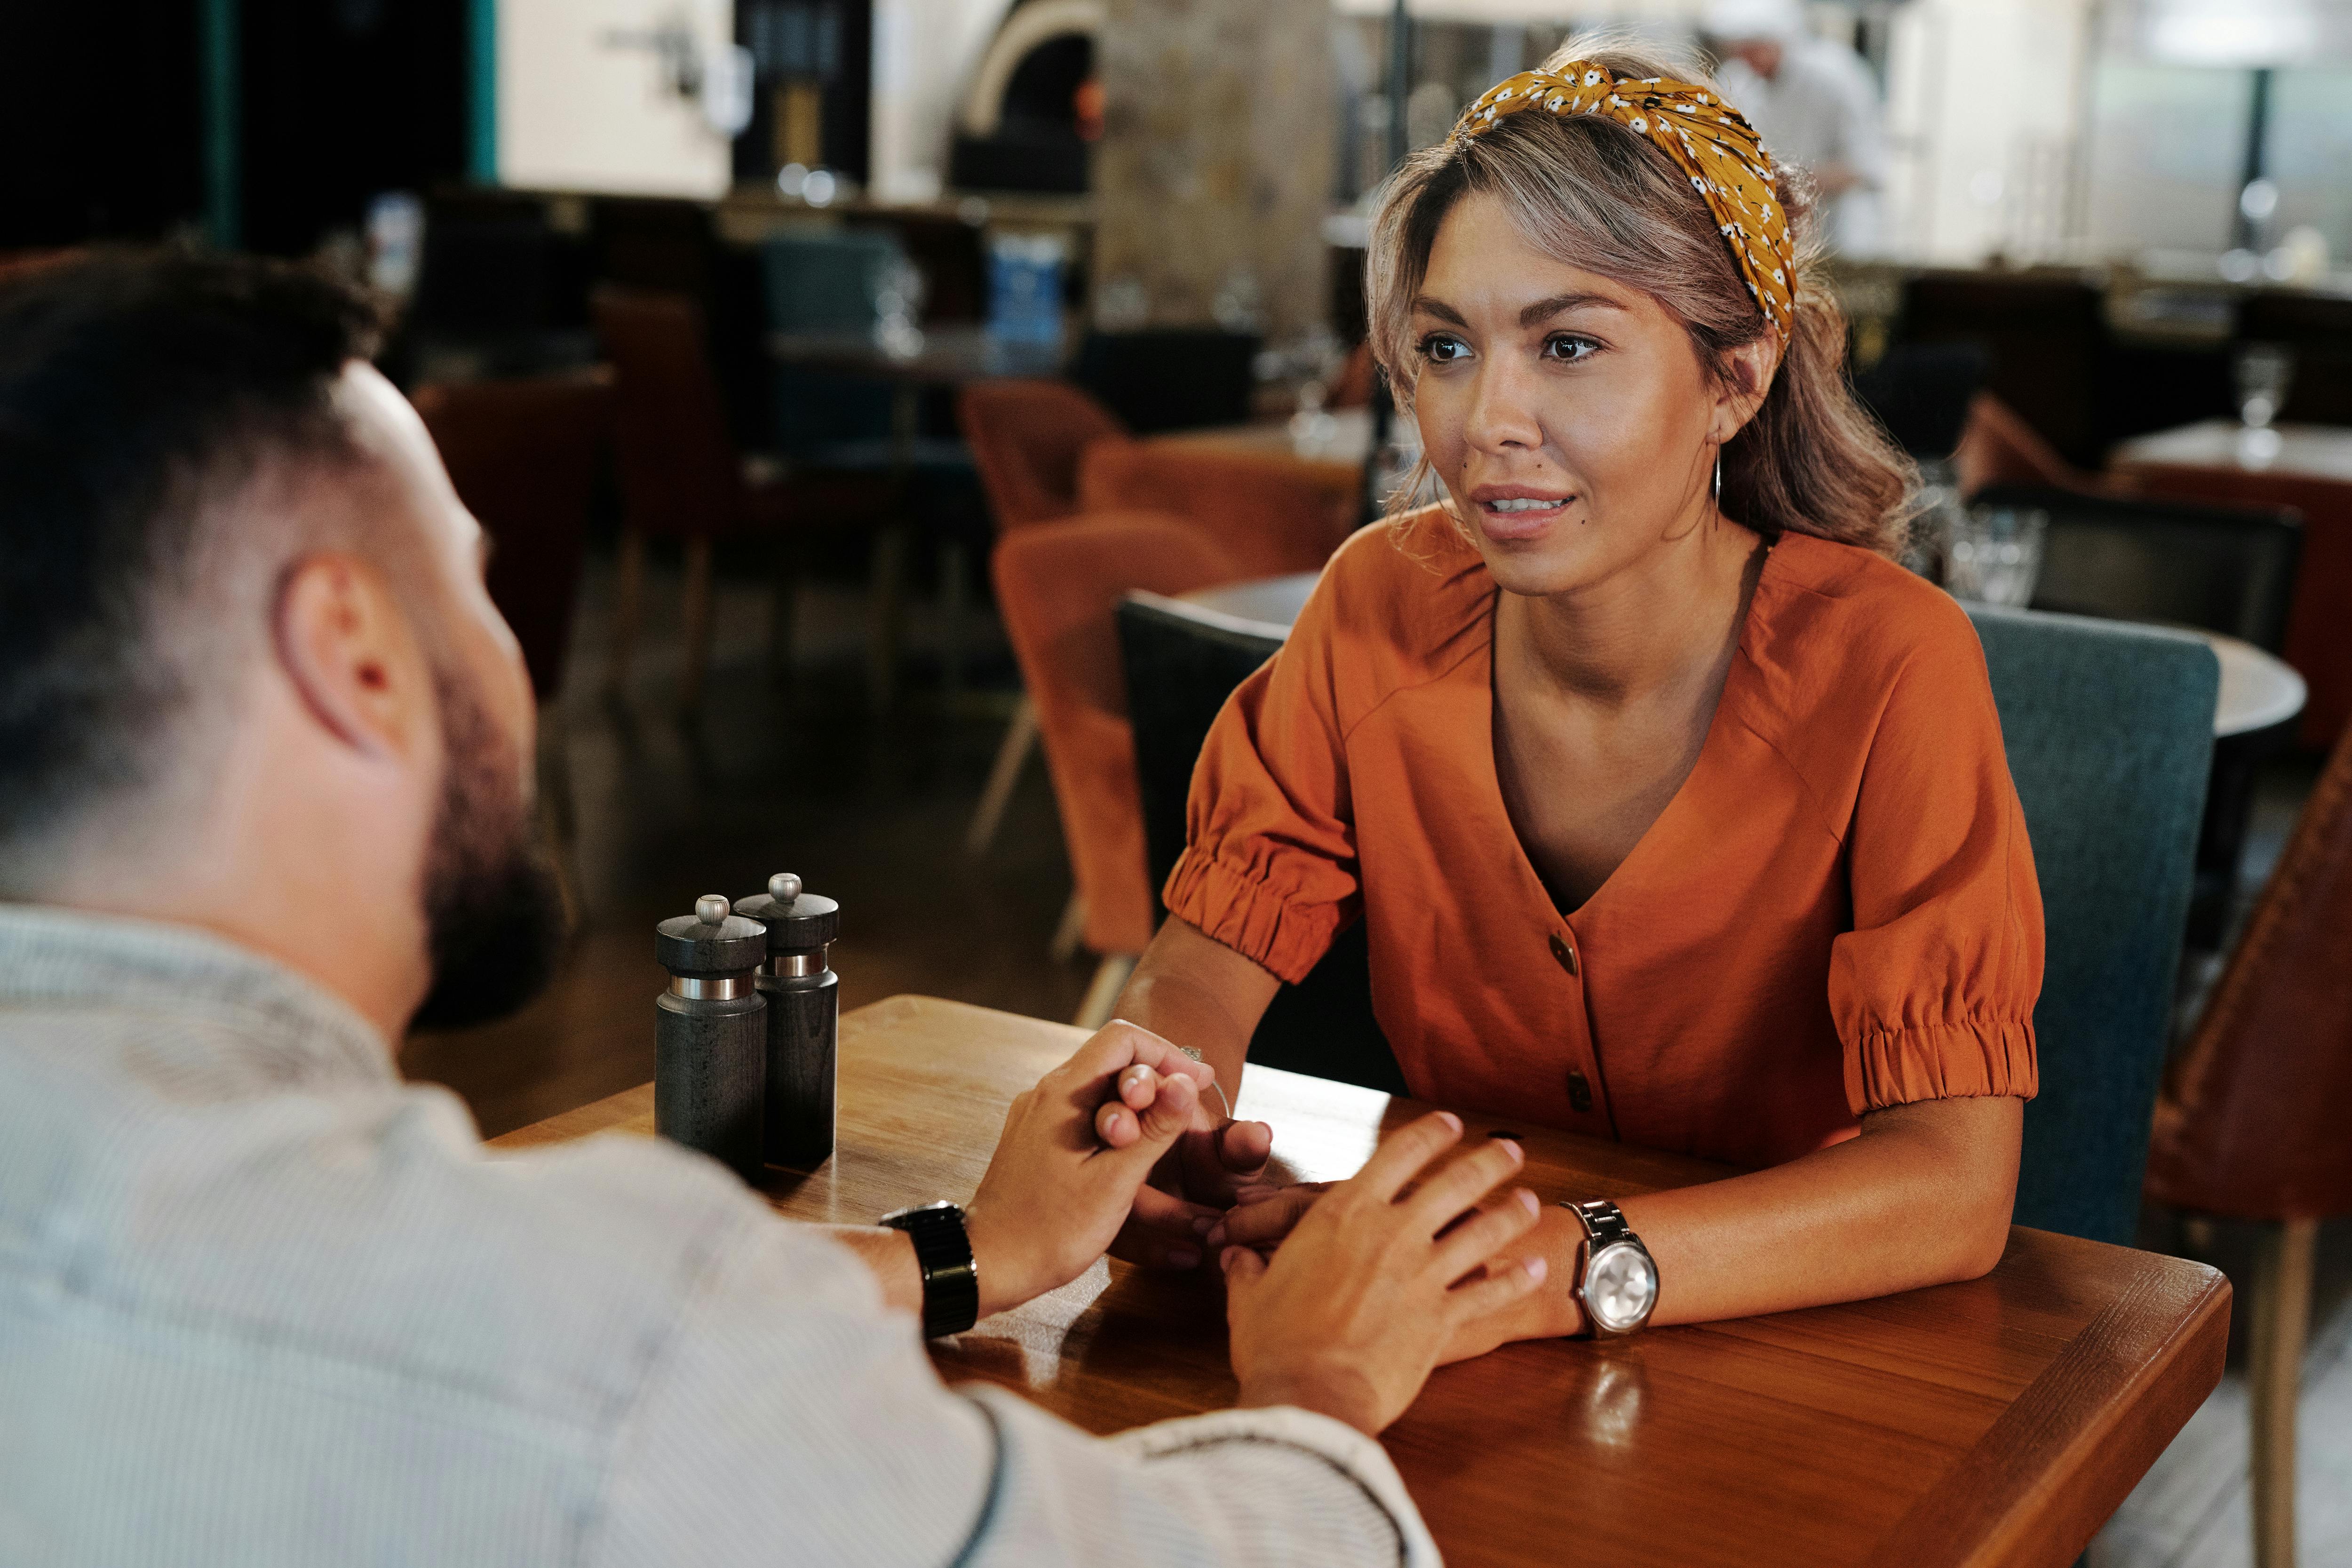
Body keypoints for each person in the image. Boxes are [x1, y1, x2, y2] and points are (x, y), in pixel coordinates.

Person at [0, 252, 1554, 1565]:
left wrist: (974, 1250)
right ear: (351, 654)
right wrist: (1323, 1392)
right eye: (470, 582)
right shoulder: (589, 1336)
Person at [1114, 35, 2041, 1356]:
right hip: (1445, 1326)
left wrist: (1568, 1263)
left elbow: (1954, 1186)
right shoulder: (1376, 604)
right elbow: (1198, 969)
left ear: (1740, 373)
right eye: (1445, 345)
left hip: (1798, 1338)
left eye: (1567, 345)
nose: (1488, 419)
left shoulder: (1895, 667)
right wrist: (1169, 1112)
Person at [1703, 0, 1890, 255]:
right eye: (1739, 51)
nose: (1746, 60)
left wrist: (1785, 180)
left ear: (1779, 39)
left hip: (1842, 230)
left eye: (1753, 49)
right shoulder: (1737, 81)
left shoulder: (1837, 75)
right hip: (1772, 233)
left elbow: (1864, 167)